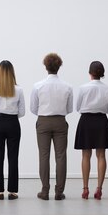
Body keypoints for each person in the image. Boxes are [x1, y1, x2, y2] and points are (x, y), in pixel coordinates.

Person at [30, 53, 73, 201]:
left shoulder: (38, 86)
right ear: (59, 66)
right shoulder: (67, 86)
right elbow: (70, 109)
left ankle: (45, 190)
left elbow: (33, 108)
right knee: (61, 156)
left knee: (44, 155)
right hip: (61, 121)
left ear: (45, 66)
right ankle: (59, 192)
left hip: (43, 121)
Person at [0, 60, 25, 200]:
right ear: (12, 72)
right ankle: (13, 191)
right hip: (13, 122)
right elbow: (22, 112)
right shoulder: (18, 90)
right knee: (13, 157)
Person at [74, 61, 108, 200]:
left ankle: (85, 189)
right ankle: (99, 189)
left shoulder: (83, 88)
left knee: (85, 156)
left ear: (90, 72)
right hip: (101, 121)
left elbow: (78, 107)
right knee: (101, 155)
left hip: (86, 121)